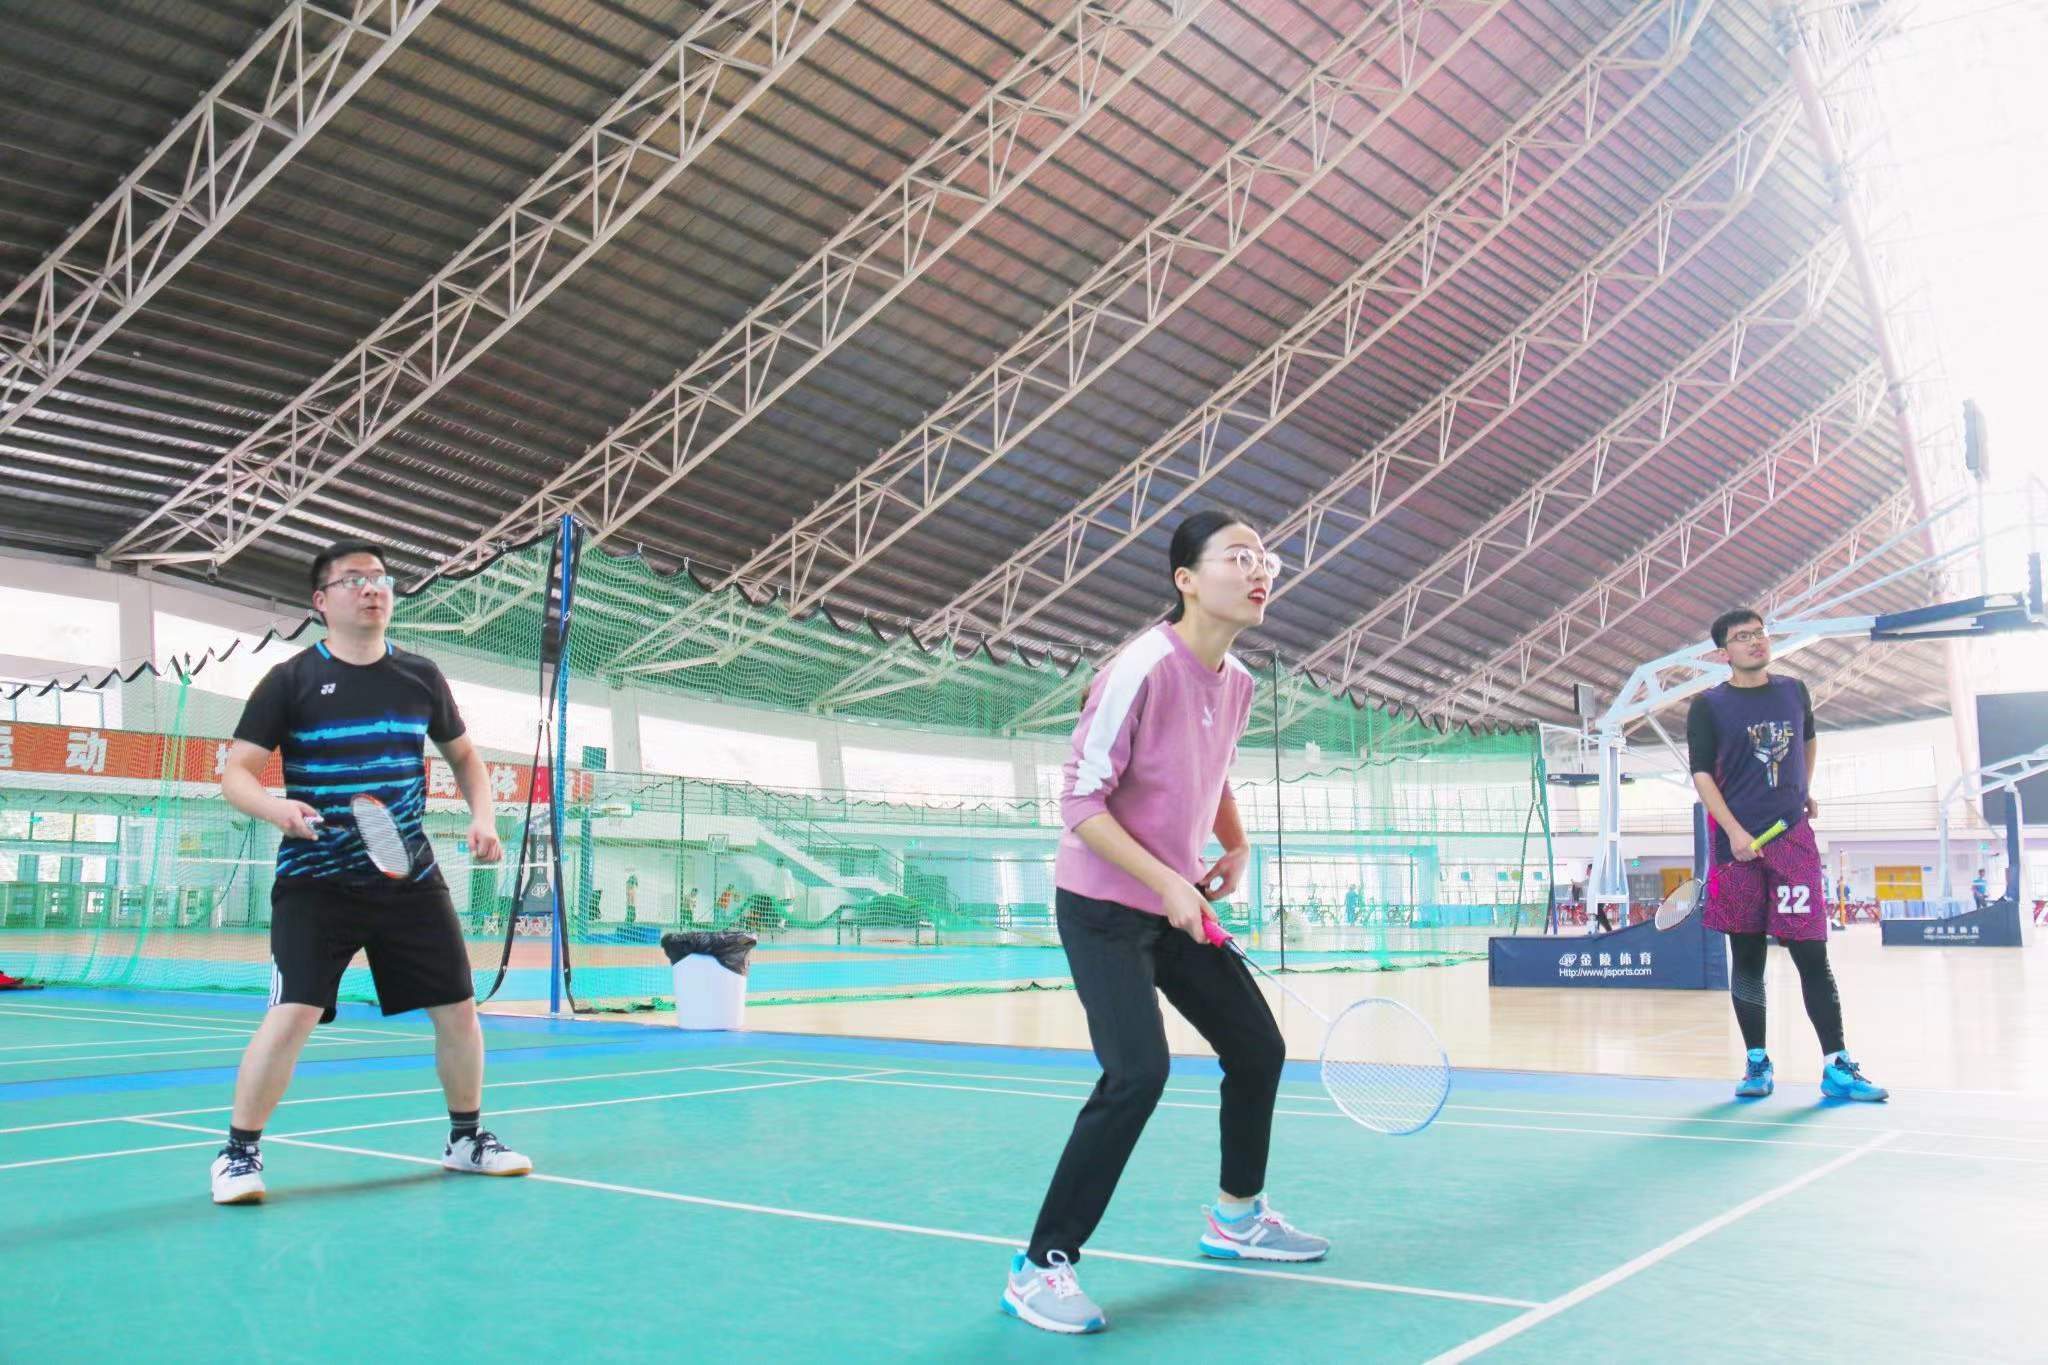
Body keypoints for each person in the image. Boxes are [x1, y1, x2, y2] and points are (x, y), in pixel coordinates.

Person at [1002, 511, 1326, 1336]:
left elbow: (1211, 772)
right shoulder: (1140, 667)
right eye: (1238, 556)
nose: (1258, 570)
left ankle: (1237, 1215)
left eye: (1264, 558)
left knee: (1257, 1045)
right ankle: (1040, 1266)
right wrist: (1167, 882)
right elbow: (1079, 802)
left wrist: (1236, 845)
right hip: (1103, 907)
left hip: (1173, 900)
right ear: (1186, 579)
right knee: (1136, 1072)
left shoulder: (1238, 681)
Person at [210, 540, 532, 1205]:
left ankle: (466, 1138)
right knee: (292, 1012)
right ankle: (238, 1154)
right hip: (316, 877)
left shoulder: (420, 676)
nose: (372, 588)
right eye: (354, 579)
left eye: (381, 578)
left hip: (407, 875)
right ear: (321, 601)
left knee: (458, 1009)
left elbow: (466, 757)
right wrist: (277, 809)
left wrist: (484, 817)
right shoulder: (291, 680)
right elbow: (236, 773)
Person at [1688, 608, 1885, 1104]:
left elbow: (1808, 741)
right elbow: (1702, 775)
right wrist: (1733, 831)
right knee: (1748, 957)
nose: (1756, 642)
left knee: (1811, 955)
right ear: (1723, 653)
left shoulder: (1794, 691)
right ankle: (1757, 1062)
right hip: (1737, 848)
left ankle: (1837, 1066)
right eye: (1742, 637)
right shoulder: (1708, 706)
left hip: (1792, 842)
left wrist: (1803, 789)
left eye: (1760, 634)